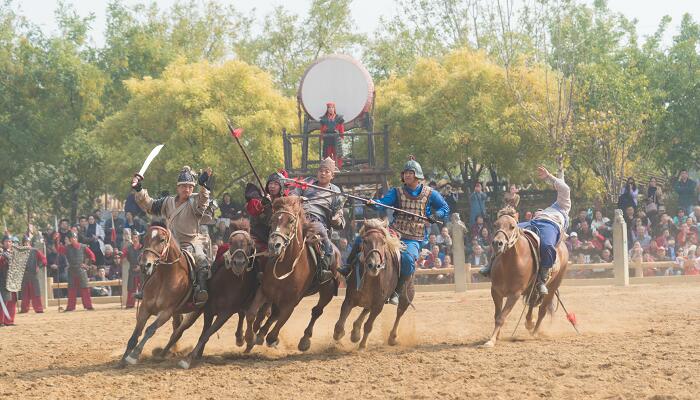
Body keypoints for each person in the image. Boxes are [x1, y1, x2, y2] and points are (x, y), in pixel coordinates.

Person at [356, 156, 450, 305]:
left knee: (406, 260)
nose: (407, 175)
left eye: (410, 172)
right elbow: (383, 203)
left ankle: (396, 291)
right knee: (365, 241)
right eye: (405, 172)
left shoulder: (430, 193)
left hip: (414, 237)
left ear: (417, 175)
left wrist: (435, 215)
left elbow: (444, 208)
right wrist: (374, 203)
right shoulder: (397, 192)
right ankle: (351, 276)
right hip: (395, 233)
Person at [480, 165, 571, 296]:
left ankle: (542, 279)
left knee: (547, 245)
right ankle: (491, 264)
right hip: (534, 222)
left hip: (550, 225)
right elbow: (561, 185)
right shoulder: (554, 205)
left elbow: (564, 187)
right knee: (505, 232)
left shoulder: (564, 204)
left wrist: (549, 176)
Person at [131, 165, 214, 306]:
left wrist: (204, 186)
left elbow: (203, 202)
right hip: (169, 243)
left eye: (189, 187)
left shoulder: (195, 202)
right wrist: (139, 189)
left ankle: (201, 291)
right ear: (178, 187)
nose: (186, 189)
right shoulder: (167, 201)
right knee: (147, 257)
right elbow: (149, 205)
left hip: (191, 243)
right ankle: (145, 289)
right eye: (183, 186)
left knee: (202, 261)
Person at [291, 158, 346, 282]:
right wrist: (297, 197)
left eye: (327, 171)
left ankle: (323, 267)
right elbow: (293, 192)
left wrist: (336, 218)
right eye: (321, 170)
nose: (323, 173)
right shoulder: (307, 182)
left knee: (319, 228)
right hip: (299, 216)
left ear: (332, 175)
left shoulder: (336, 191)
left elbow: (339, 216)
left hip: (317, 222)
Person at [245, 169, 289, 247]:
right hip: (261, 237)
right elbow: (254, 216)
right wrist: (263, 205)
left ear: (281, 187)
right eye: (270, 183)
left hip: (279, 236)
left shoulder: (286, 202)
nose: (272, 186)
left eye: (276, 184)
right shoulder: (261, 200)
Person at [64, 231, 95, 311]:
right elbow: (59, 250)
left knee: (85, 288)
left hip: (81, 270)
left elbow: (92, 255)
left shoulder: (83, 247)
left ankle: (88, 306)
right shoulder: (67, 248)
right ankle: (70, 307)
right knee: (71, 289)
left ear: (76, 238)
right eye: (71, 238)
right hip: (71, 270)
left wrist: (87, 264)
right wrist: (56, 240)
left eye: (74, 238)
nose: (73, 239)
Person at [19, 240, 47, 314]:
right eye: (24, 243)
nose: (26, 244)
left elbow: (44, 260)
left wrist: (39, 266)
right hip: (24, 275)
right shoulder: (20, 252)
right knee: (25, 293)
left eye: (27, 242)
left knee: (35, 292)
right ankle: (24, 308)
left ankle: (38, 308)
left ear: (30, 243)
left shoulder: (35, 251)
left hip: (33, 274)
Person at [319, 102, 345, 168]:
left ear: (334, 108)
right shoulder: (324, 119)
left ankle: (338, 167)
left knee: (338, 154)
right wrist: (322, 138)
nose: (331, 109)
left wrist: (342, 137)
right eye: (329, 108)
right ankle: (328, 167)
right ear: (327, 109)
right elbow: (322, 130)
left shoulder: (339, 118)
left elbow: (341, 129)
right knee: (327, 154)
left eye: (332, 107)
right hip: (327, 138)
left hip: (336, 138)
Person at [122, 231, 143, 308]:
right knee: (131, 288)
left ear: (138, 238)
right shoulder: (128, 248)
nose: (135, 239)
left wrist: (140, 267)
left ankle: (145, 304)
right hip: (132, 270)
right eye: (133, 237)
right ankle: (130, 304)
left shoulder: (143, 248)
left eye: (136, 237)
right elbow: (123, 254)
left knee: (143, 288)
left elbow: (146, 259)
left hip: (142, 270)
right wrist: (119, 254)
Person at [0, 235, 18, 325]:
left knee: (12, 301)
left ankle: (9, 320)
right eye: (6, 241)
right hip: (3, 279)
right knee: (3, 301)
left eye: (10, 241)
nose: (8, 243)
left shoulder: (13, 253)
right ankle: (1, 321)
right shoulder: (1, 253)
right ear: (3, 243)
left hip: (12, 280)